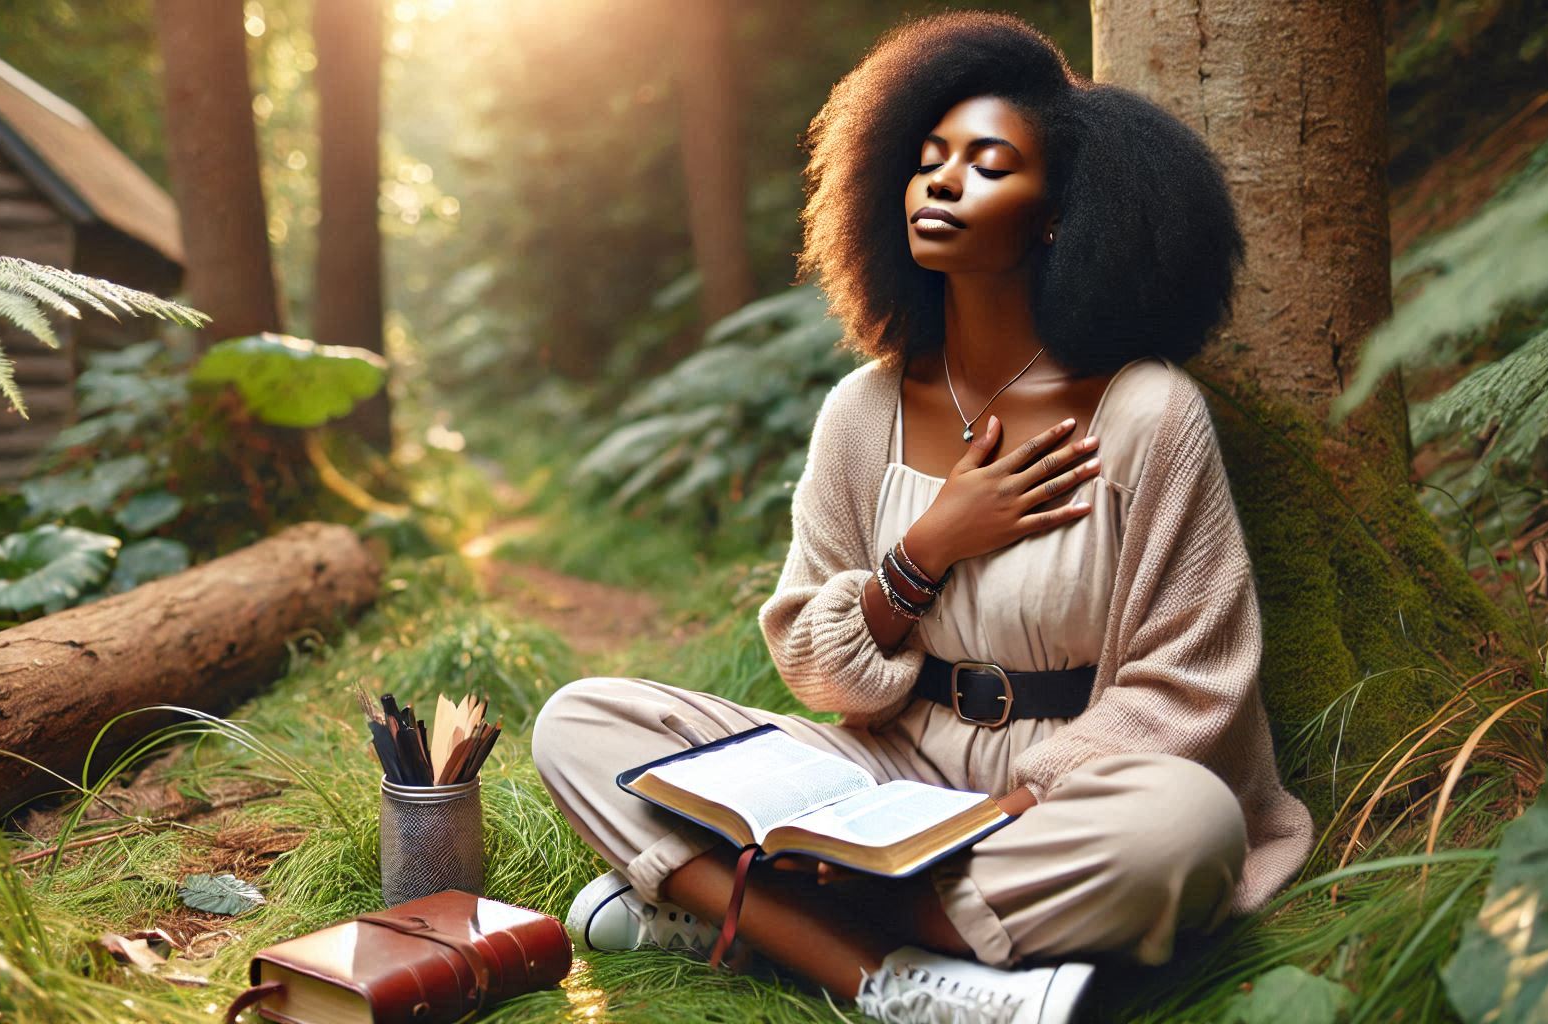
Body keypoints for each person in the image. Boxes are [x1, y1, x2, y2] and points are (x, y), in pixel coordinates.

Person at [531, 11, 1314, 1024]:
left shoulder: (1146, 412)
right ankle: (897, 982)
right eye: (928, 158)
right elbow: (813, 669)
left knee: (1190, 829)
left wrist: (997, 808)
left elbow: (1186, 686)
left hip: (1064, 791)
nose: (940, 181)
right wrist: (926, 548)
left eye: (986, 163)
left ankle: (742, 913)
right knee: (583, 723)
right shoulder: (861, 415)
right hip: (879, 768)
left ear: (1055, 217)